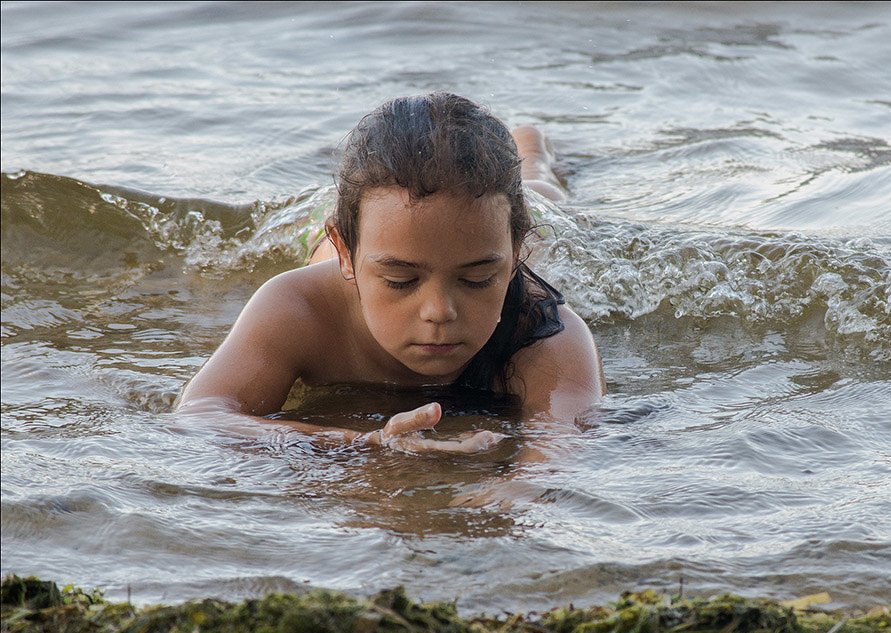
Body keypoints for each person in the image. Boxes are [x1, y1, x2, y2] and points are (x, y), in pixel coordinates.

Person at [176, 93, 605, 454]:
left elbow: (561, 450)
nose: (439, 312)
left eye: (477, 279)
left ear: (513, 258)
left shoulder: (548, 336)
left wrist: (509, 495)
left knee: (543, 195)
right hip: (356, 234)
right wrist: (364, 442)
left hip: (473, 224)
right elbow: (202, 415)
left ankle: (530, 148)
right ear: (348, 254)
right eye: (401, 281)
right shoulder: (298, 308)